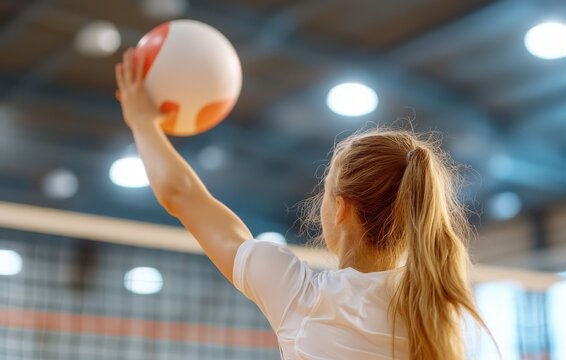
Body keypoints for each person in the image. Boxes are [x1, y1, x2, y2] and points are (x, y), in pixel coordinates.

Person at [116, 48, 491, 359]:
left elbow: (181, 194)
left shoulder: (304, 297)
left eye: (326, 189)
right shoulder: (444, 313)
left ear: (341, 209)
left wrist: (142, 121)